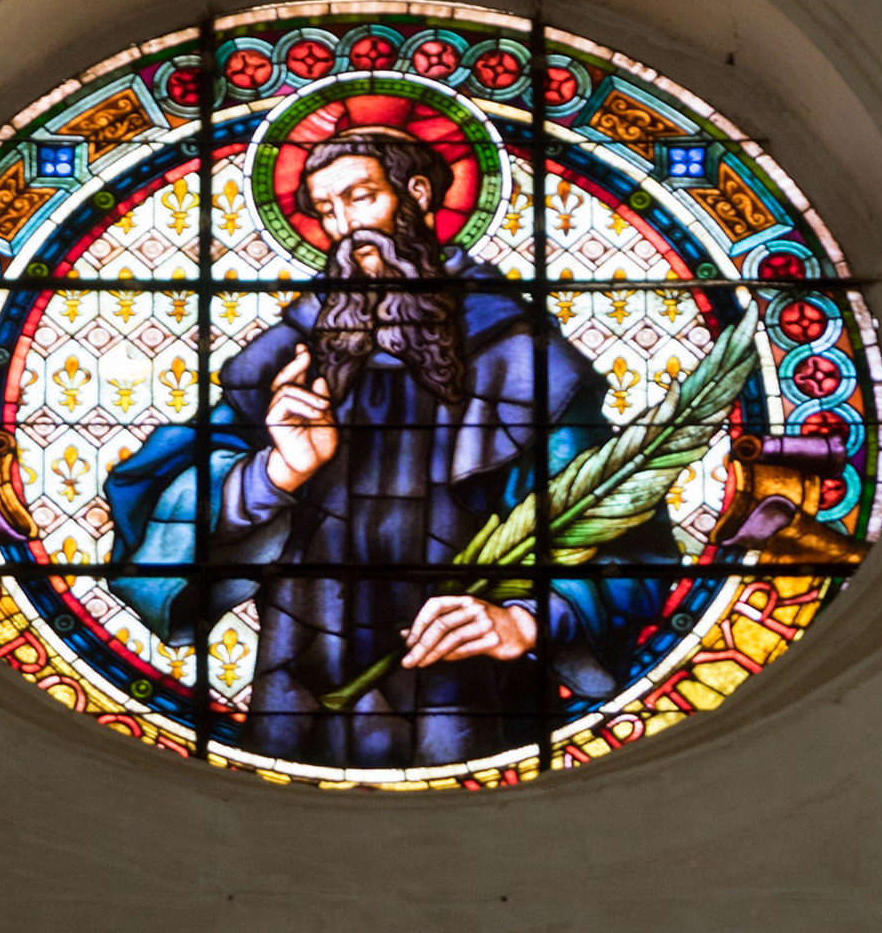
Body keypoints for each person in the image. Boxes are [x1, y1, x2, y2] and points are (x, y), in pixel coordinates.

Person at [105, 125, 676, 770]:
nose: (347, 226)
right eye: (327, 210)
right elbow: (154, 493)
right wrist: (274, 473)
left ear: (419, 194)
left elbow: (624, 536)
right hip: (302, 670)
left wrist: (525, 620)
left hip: (469, 688)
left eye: (361, 197)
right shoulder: (290, 357)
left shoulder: (519, 358)